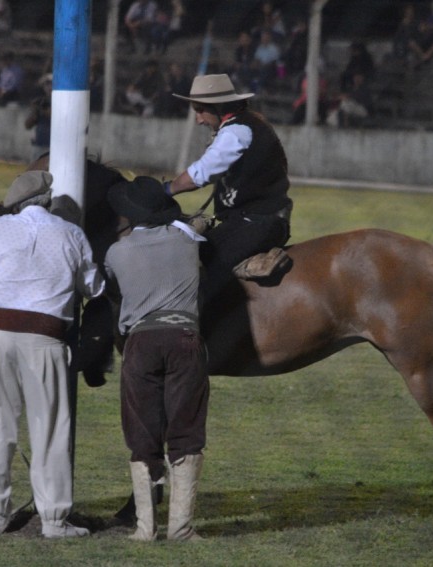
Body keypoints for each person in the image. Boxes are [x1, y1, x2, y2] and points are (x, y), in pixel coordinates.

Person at [0, 171, 103, 538]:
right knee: (49, 428)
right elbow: (94, 285)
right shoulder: (71, 234)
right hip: (45, 336)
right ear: (47, 199)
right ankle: (54, 520)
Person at [104, 176, 209, 542]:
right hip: (184, 338)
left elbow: (112, 287)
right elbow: (196, 231)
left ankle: (145, 527)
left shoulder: (116, 252)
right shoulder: (187, 242)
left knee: (142, 431)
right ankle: (181, 527)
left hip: (140, 340)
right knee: (186, 429)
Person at [165, 74, 292, 303]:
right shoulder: (246, 125)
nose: (199, 120)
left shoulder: (237, 131)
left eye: (200, 110)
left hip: (257, 222)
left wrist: (167, 190)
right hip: (255, 219)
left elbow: (200, 174)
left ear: (219, 107)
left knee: (203, 270)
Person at [24, 73, 52, 161]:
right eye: (46, 84)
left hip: (54, 146)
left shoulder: (62, 101)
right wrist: (34, 112)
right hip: (39, 144)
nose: (49, 87)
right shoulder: (41, 101)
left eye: (51, 84)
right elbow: (27, 125)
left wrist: (42, 110)